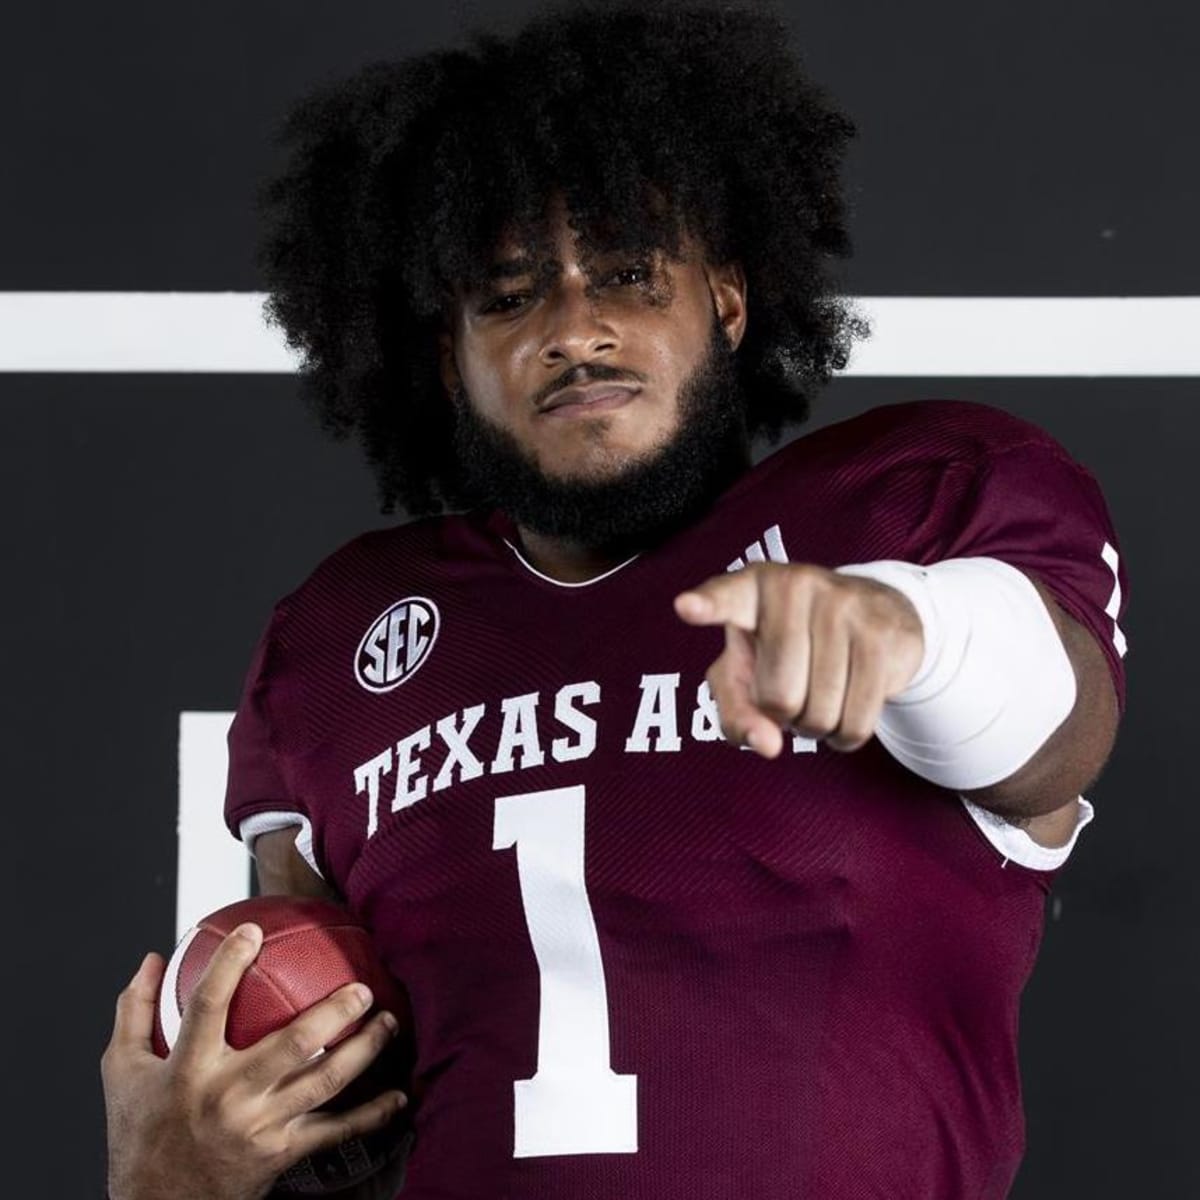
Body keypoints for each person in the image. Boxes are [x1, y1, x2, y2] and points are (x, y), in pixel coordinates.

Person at [101, 2, 1129, 1197]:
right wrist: (169, 1183)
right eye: (509, 296)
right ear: (449, 357)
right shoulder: (341, 637)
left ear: (729, 299)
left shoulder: (907, 512)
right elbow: (313, 1081)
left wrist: (907, 630)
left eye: (631, 276)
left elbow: (1059, 744)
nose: (575, 329)